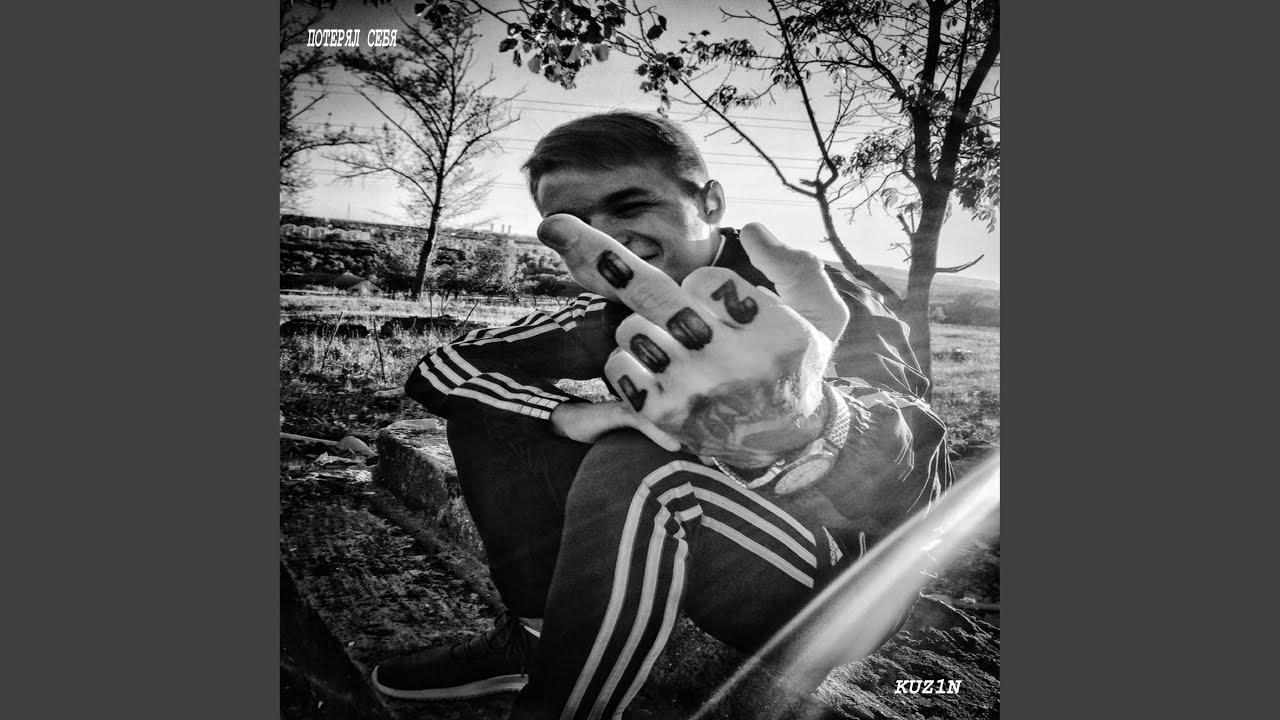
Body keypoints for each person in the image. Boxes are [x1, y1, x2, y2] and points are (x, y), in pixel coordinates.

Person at [372, 111, 954, 720]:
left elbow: (924, 478)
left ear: (710, 202)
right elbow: (442, 367)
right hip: (705, 540)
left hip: (839, 586)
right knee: (497, 412)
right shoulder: (608, 313)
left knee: (643, 463)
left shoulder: (817, 302)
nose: (608, 239)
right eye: (575, 225)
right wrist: (567, 414)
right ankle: (536, 634)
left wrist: (811, 426)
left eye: (630, 206)